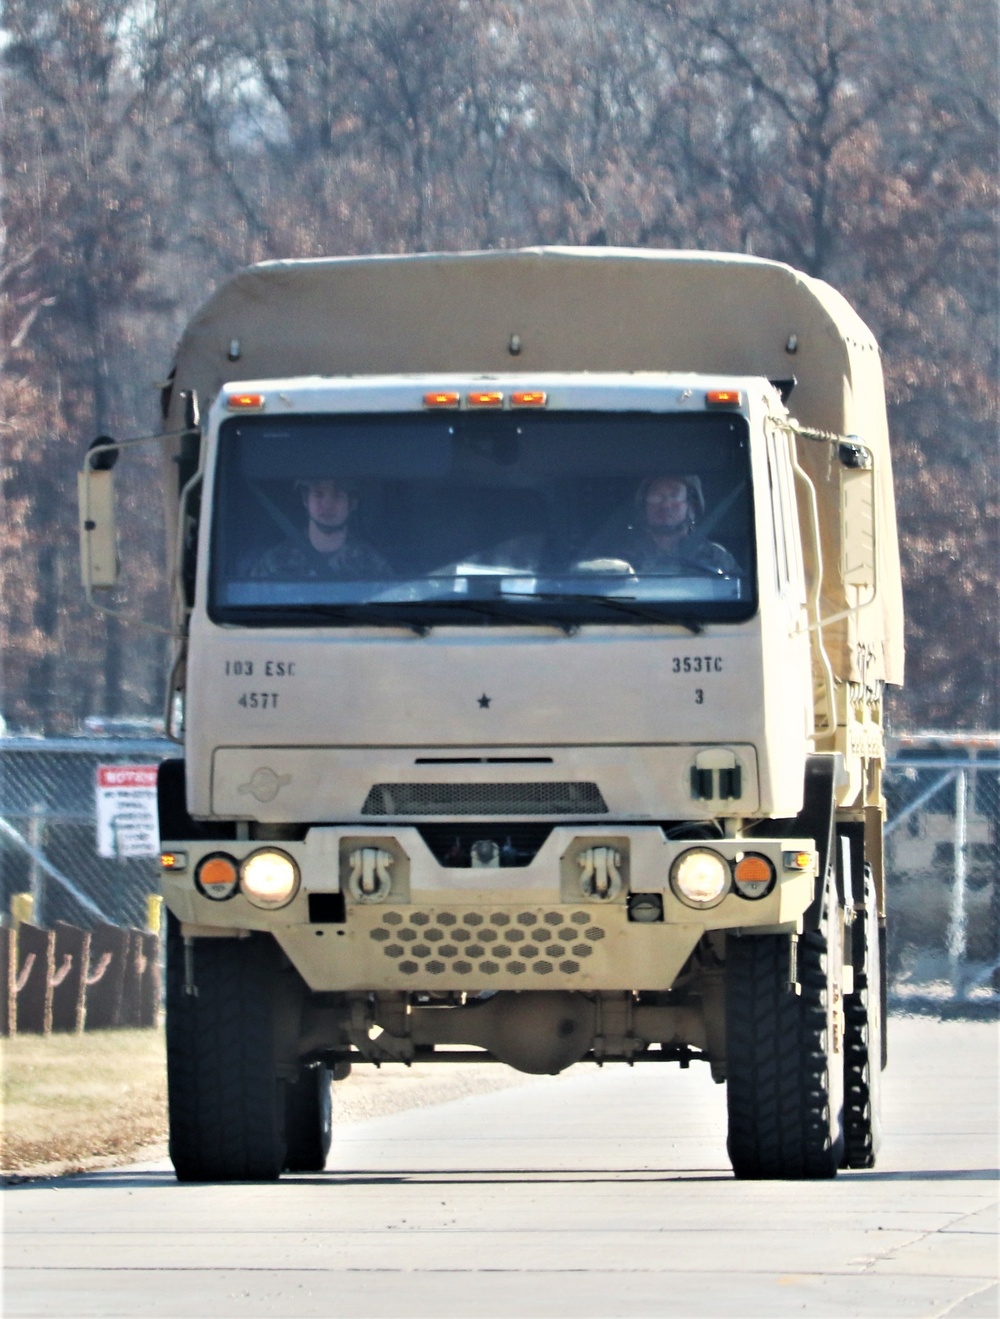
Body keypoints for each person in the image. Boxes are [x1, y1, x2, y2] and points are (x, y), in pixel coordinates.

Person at [584, 475, 738, 575]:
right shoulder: (620, 558)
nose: (666, 505)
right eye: (656, 496)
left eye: (674, 495)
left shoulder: (716, 557)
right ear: (644, 508)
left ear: (691, 507)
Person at [248, 478, 391, 578]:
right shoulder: (275, 563)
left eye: (338, 496)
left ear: (352, 504)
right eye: (318, 494)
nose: (328, 505)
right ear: (305, 500)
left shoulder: (370, 564)